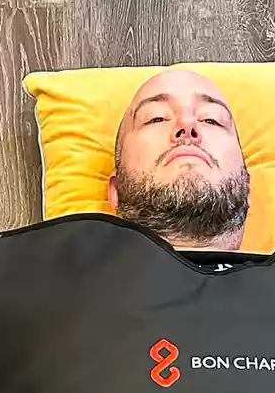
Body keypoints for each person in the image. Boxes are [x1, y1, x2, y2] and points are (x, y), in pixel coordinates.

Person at [108, 69, 252, 254]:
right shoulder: (65, 276)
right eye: (156, 118)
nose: (187, 124)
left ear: (247, 186)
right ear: (116, 190)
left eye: (211, 119)